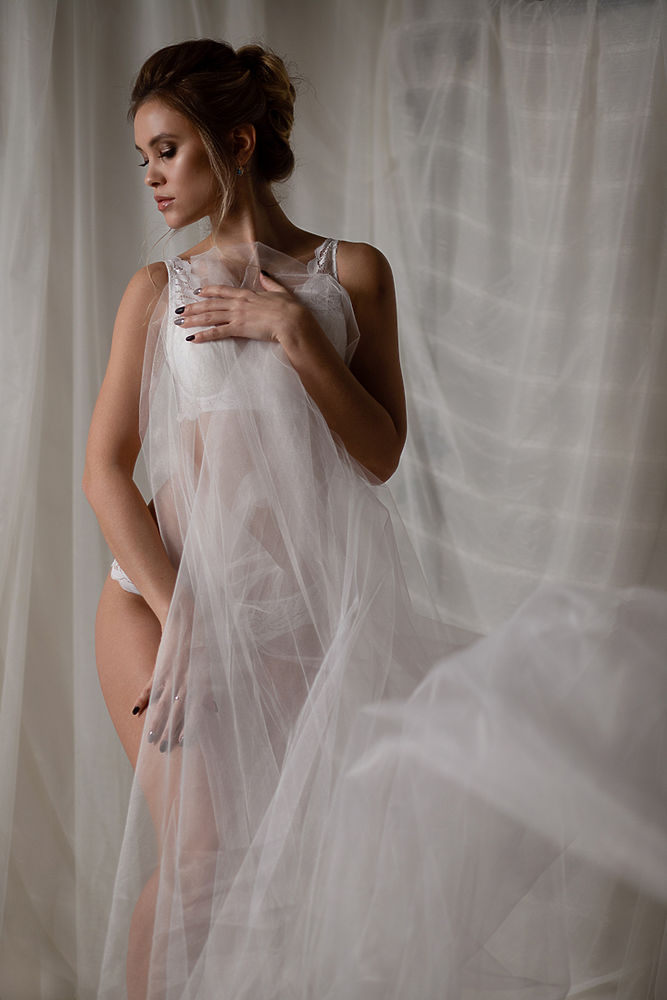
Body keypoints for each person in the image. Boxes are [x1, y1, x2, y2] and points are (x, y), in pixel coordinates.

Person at [84, 38, 667, 1000]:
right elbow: (105, 473)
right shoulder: (158, 290)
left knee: (282, 865)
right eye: (143, 156)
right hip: (160, 604)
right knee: (198, 854)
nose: (150, 175)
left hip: (293, 614)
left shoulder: (351, 273)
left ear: (237, 141)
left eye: (167, 150)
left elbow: (379, 454)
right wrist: (183, 613)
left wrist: (294, 331)